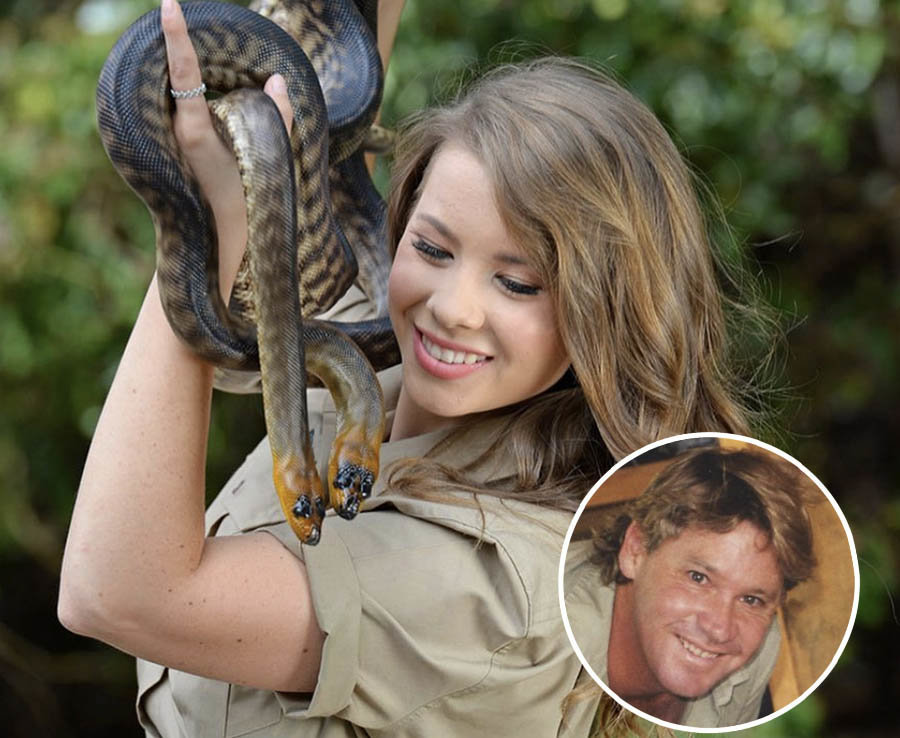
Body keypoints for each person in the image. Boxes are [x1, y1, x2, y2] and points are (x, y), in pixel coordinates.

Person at [58, 0, 777, 735]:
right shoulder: (376, 376)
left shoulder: (503, 590)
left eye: (518, 282)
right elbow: (337, 108)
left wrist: (206, 226)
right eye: (432, 249)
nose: (452, 309)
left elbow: (113, 593)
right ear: (395, 232)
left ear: (602, 317)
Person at [565, 447, 817, 728]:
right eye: (698, 578)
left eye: (751, 599)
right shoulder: (545, 631)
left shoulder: (754, 646)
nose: (720, 628)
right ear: (636, 550)